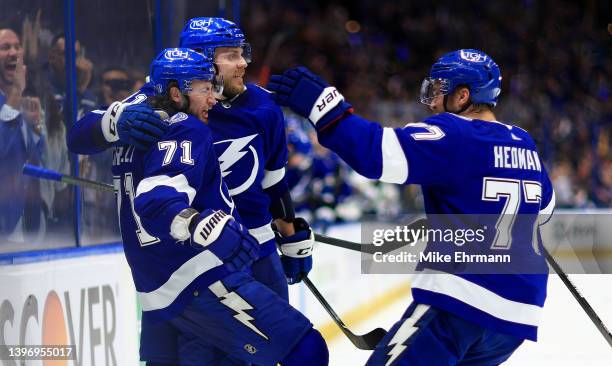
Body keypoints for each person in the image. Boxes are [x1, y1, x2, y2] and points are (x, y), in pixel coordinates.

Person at [267, 49, 556, 365]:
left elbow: (373, 152)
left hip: (461, 300)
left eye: (439, 91)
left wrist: (323, 104)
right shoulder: (523, 141)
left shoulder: (453, 133)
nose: (432, 102)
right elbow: (544, 210)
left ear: (462, 96)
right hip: (517, 316)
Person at [67, 17, 319, 364]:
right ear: (202, 62)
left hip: (253, 249)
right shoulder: (165, 103)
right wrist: (114, 123)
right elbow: (78, 136)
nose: (244, 62)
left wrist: (290, 234)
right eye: (230, 55)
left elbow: (273, 184)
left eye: (242, 52)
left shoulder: (263, 107)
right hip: (191, 254)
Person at [0, 27, 45, 244]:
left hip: (30, 224)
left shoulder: (23, 101)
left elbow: (33, 161)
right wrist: (16, 92)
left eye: (17, 47)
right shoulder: (15, 98)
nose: (13, 52)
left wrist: (36, 131)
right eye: (5, 47)